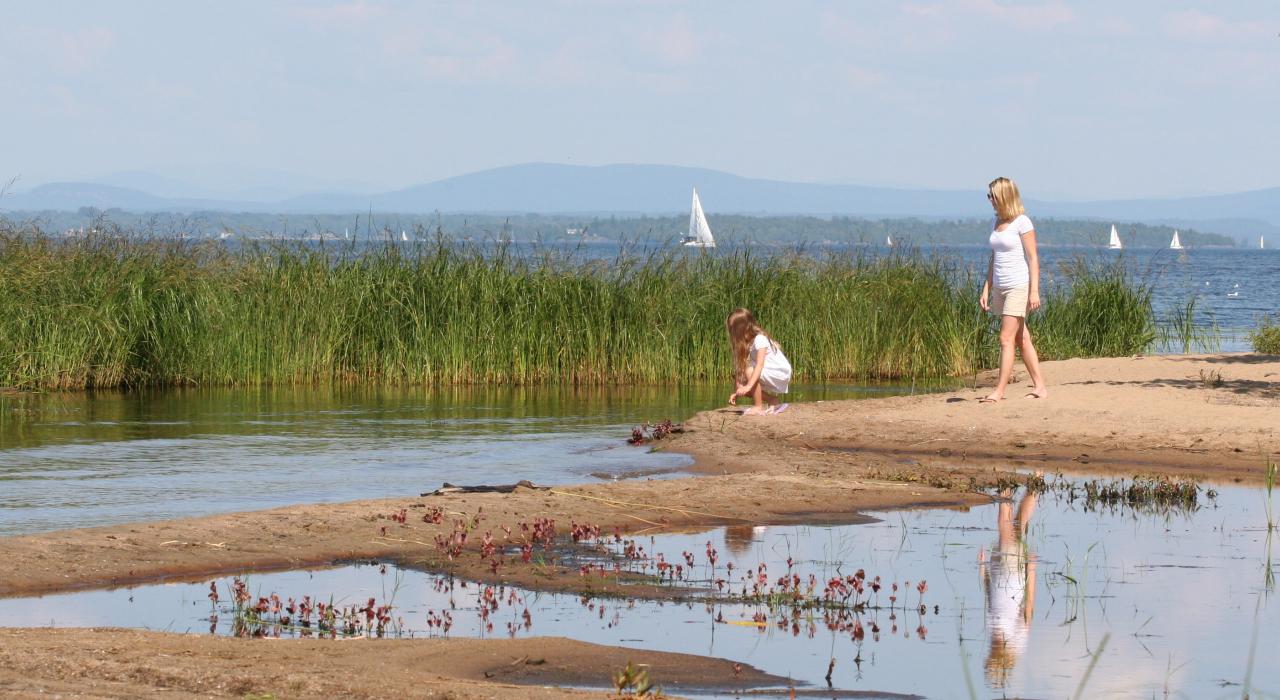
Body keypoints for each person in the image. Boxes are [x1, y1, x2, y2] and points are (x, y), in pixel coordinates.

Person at [979, 177, 1048, 403]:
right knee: (1021, 338)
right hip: (1000, 287)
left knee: (1005, 338)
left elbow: (1033, 258)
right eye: (989, 196)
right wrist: (986, 288)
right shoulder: (996, 221)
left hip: (1018, 285)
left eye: (993, 195)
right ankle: (1040, 387)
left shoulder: (1022, 222)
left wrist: (1034, 291)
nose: (990, 199)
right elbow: (994, 258)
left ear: (1004, 196)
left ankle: (999, 391)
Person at [979, 486, 1038, 688]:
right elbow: (1028, 609)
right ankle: (1007, 482)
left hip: (997, 571)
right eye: (991, 663)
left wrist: (983, 570)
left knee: (1017, 525)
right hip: (1013, 577)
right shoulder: (1016, 644)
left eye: (988, 663)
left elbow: (991, 601)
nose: (989, 657)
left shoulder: (992, 639)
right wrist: (1031, 571)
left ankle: (1033, 480)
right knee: (1006, 524)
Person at [725, 308, 792, 415]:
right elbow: (740, 369)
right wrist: (737, 391)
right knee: (743, 383)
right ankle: (772, 400)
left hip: (780, 372)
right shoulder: (744, 344)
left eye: (732, 329)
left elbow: (759, 365)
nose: (730, 332)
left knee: (749, 372)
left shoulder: (759, 339)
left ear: (741, 328)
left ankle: (758, 406)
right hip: (767, 370)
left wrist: (748, 386)